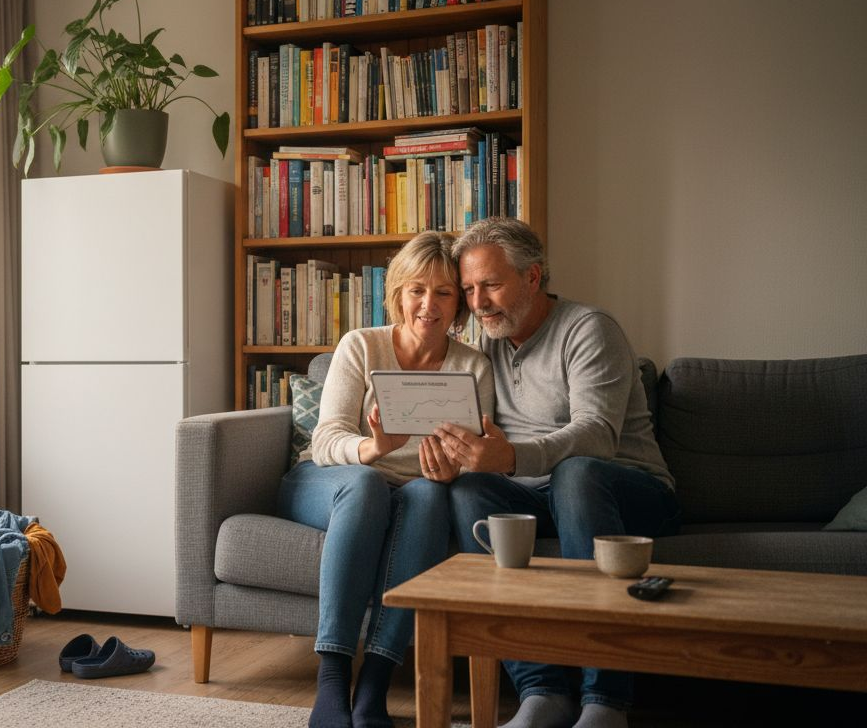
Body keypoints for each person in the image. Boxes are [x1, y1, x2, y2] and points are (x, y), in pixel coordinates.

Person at [432, 219, 680, 728]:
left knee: (577, 473)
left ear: (533, 276)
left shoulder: (589, 328)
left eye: (491, 285)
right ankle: (541, 693)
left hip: (627, 490)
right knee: (469, 491)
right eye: (470, 289)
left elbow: (597, 435)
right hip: (538, 497)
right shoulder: (486, 348)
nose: (478, 303)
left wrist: (514, 457)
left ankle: (606, 702)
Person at [279, 232, 495, 728]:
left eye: (443, 292)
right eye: (416, 290)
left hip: (413, 489)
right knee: (366, 484)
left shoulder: (473, 366)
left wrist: (452, 468)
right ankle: (332, 680)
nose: (428, 304)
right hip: (331, 479)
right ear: (397, 294)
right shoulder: (361, 345)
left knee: (432, 496)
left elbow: (474, 454)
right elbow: (328, 437)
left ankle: (374, 684)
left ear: (459, 305)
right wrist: (375, 447)